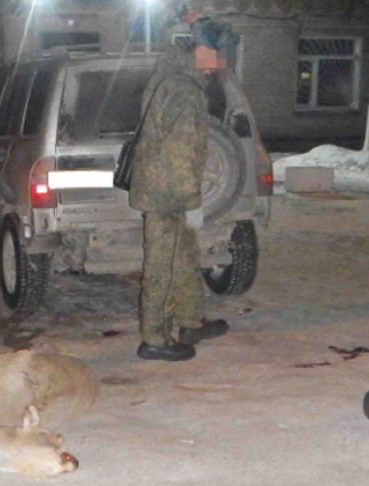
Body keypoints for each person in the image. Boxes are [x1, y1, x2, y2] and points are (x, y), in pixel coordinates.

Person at [129, 16, 238, 361]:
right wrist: (191, 200)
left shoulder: (176, 76)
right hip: (167, 194)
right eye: (222, 55)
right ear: (206, 51)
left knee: (184, 255)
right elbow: (180, 151)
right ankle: (154, 340)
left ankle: (190, 321)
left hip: (167, 189)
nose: (225, 63)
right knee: (162, 263)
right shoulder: (184, 89)